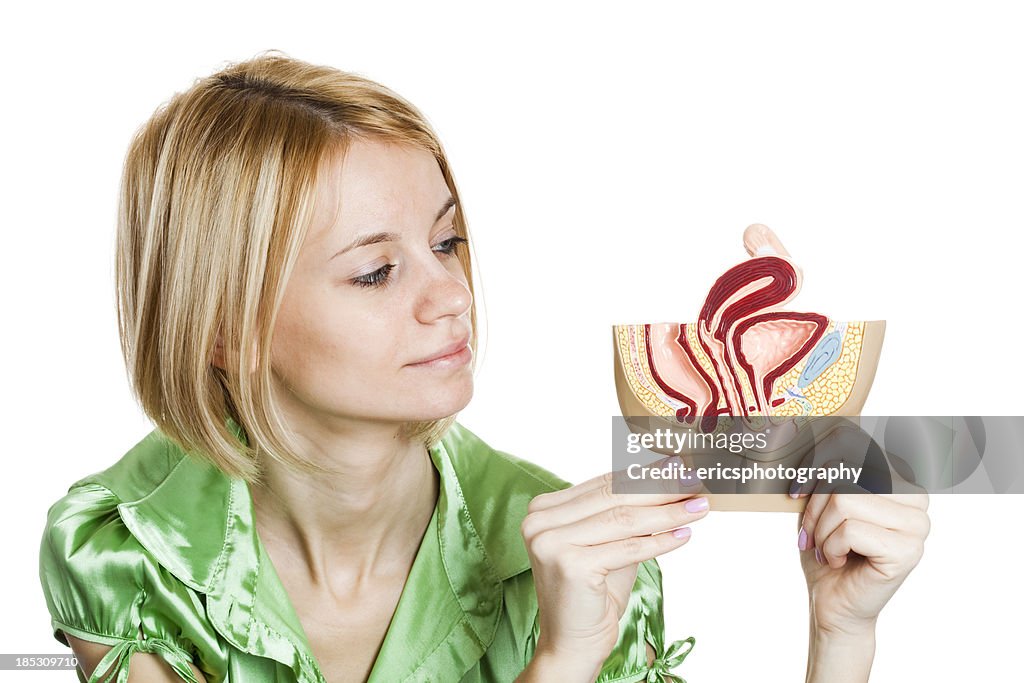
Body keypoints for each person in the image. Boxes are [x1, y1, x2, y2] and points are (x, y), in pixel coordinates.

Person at [38, 51, 930, 683]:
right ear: (222, 327)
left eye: (448, 239)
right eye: (376, 270)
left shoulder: (584, 563)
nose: (453, 294)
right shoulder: (120, 549)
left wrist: (840, 637)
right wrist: (557, 665)